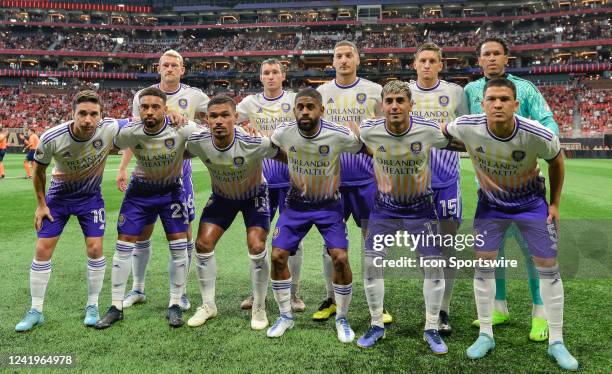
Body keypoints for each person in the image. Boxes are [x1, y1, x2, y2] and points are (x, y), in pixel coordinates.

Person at [443, 78, 578, 370]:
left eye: (504, 99)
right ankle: (485, 334)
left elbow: (556, 161)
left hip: (530, 204)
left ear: (516, 105)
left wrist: (554, 204)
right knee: (483, 265)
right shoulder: (467, 125)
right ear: (483, 104)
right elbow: (442, 133)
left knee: (548, 267)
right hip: (491, 206)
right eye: (492, 99)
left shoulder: (535, 134)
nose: (498, 104)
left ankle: (556, 341)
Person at [465, 37, 559, 341]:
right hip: (489, 189)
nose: (491, 59)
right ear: (479, 61)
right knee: (494, 251)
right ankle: (499, 308)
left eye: (496, 54)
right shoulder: (469, 91)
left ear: (507, 58)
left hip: (523, 185)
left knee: (535, 252)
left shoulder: (526, 89)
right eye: (486, 55)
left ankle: (539, 313)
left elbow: (549, 124)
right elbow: (461, 128)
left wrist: (529, 144)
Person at [15, 91, 122, 331]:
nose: (87, 119)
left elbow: (140, 121)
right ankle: (36, 310)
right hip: (58, 198)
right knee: (42, 249)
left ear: (101, 116)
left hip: (90, 198)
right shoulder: (53, 136)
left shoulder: (110, 127)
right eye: (82, 113)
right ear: (72, 114)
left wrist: (172, 115)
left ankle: (92, 305)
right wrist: (41, 205)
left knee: (95, 248)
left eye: (94, 114)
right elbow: (39, 171)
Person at [356, 80, 450, 354]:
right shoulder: (368, 130)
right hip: (385, 208)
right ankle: (376, 324)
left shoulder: (428, 129)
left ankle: (431, 328)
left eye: (400, 101)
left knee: (434, 267)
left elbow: (449, 140)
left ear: (411, 104)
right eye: (390, 101)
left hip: (422, 208)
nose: (395, 106)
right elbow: (354, 143)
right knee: (372, 263)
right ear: (382, 105)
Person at [96, 87, 199, 329]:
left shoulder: (182, 129)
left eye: (155, 107)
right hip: (139, 193)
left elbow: (208, 139)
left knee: (178, 247)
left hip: (171, 191)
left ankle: (175, 303)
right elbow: (107, 131)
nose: (150, 111)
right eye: (145, 107)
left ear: (166, 109)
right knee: (123, 247)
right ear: (139, 110)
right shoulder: (130, 132)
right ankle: (115, 306)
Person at [267, 88, 363, 342]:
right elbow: (272, 149)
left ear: (321, 110)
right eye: (300, 107)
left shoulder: (338, 134)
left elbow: (362, 148)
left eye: (310, 107)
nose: (305, 111)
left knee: (340, 258)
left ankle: (342, 317)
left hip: (329, 206)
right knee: (277, 256)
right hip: (295, 205)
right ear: (295, 110)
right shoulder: (283, 132)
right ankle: (285, 315)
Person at [118, 49, 210, 311]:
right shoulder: (142, 96)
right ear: (158, 68)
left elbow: (216, 113)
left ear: (182, 70)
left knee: (184, 233)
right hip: (145, 169)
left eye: (174, 65)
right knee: (142, 232)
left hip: (180, 173)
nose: (169, 68)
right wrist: (124, 167)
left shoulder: (194, 95)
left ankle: (180, 293)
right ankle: (138, 288)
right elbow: (134, 134)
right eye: (165, 65)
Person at [185, 95, 286, 331]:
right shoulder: (198, 141)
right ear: (206, 119)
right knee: (202, 244)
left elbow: (283, 155)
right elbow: (178, 151)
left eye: (225, 115)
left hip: (254, 196)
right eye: (213, 116)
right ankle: (208, 305)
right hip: (222, 198)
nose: (219, 120)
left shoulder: (253, 142)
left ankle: (259, 306)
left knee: (257, 246)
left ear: (236, 118)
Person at [316, 40, 391, 323]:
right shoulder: (322, 93)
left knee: (372, 242)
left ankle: (377, 303)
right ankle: (332, 297)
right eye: (339, 56)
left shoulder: (374, 91)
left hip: (367, 179)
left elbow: (385, 131)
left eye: (349, 55)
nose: (344, 60)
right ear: (332, 62)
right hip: (331, 180)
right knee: (329, 244)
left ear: (358, 59)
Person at [408, 42, 469, 335]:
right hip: (414, 182)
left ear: (440, 64)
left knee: (447, 246)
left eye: (433, 60)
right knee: (424, 249)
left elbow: (468, 133)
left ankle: (443, 309)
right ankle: (431, 306)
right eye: (423, 60)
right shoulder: (404, 93)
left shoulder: (456, 93)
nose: (428, 65)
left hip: (446, 181)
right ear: (415, 64)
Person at [236, 59, 305, 312]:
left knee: (294, 240)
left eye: (275, 72)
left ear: (283, 76)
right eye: (266, 72)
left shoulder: (294, 101)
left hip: (292, 179)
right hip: (261, 181)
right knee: (258, 238)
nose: (271, 76)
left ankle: (294, 293)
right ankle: (257, 295)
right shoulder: (249, 103)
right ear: (261, 77)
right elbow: (228, 119)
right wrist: (244, 132)